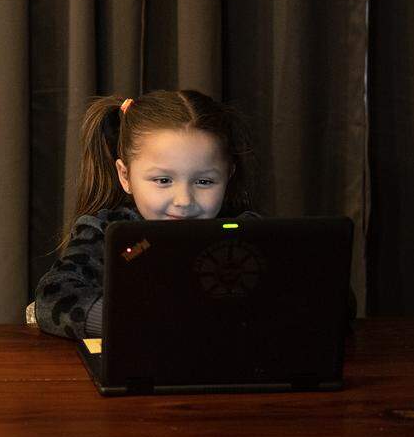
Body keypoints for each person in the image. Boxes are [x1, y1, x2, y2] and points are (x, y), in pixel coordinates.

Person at [35, 90, 256, 340]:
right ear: (125, 176)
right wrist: (128, 321)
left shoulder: (247, 232)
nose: (184, 201)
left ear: (228, 175)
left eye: (204, 181)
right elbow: (51, 300)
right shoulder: (107, 232)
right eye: (163, 180)